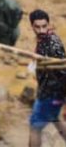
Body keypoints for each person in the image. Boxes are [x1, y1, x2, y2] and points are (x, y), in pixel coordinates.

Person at [28, 9, 66, 147]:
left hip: (50, 95)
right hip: (51, 93)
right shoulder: (43, 40)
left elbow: (63, 73)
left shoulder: (53, 45)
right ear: (32, 26)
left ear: (49, 24)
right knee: (55, 119)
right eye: (37, 27)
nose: (41, 30)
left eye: (44, 26)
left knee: (35, 128)